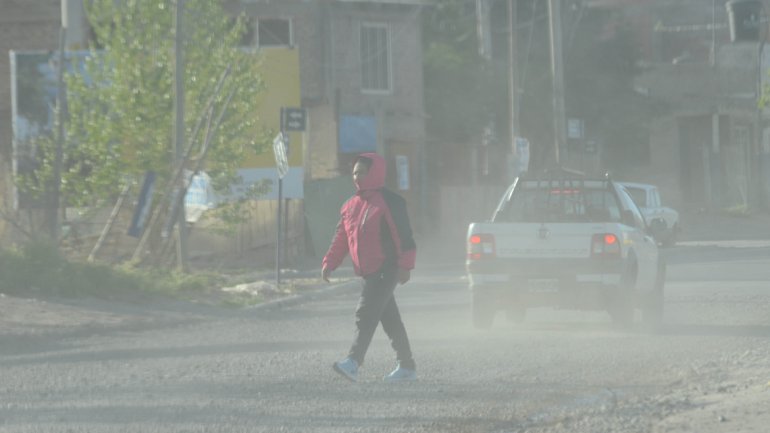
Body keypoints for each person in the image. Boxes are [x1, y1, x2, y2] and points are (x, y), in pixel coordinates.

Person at [322, 152, 417, 382]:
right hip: (368, 272)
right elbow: (341, 238)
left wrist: (406, 265)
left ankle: (353, 362)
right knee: (390, 319)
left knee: (365, 313)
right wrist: (329, 263)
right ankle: (407, 367)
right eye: (354, 172)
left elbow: (404, 237)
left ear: (375, 172)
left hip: (387, 268)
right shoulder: (350, 206)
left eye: (362, 172)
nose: (357, 176)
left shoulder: (389, 202)